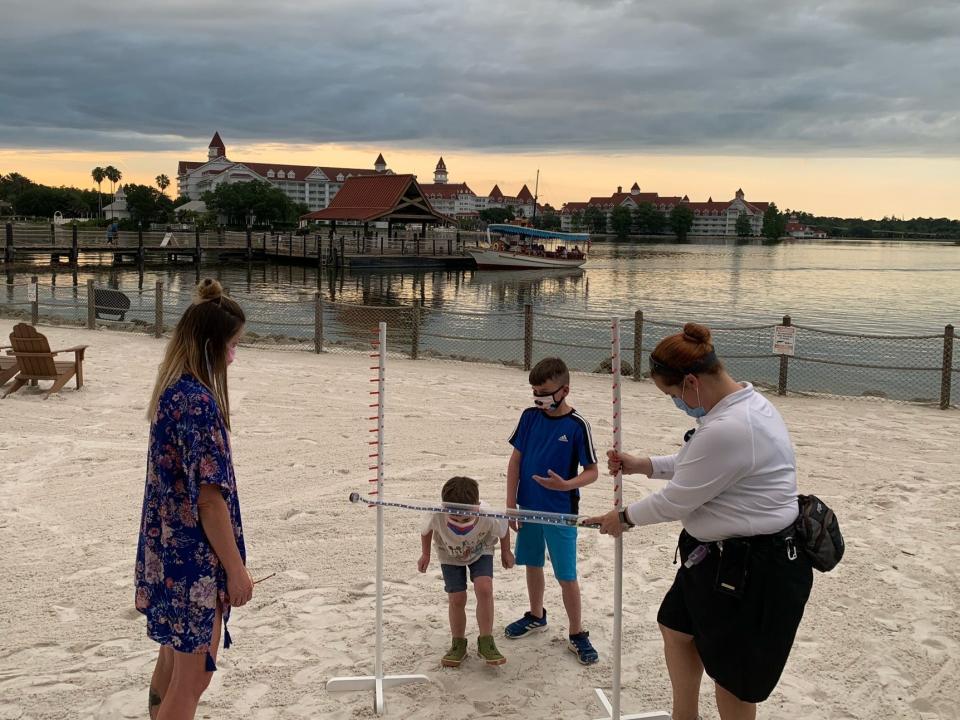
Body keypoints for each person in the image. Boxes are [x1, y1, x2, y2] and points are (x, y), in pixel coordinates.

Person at [585, 323, 813, 720]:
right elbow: (697, 464)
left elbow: (677, 500)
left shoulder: (735, 425)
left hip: (753, 567)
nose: (677, 403)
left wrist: (622, 518)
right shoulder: (736, 404)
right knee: (676, 629)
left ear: (691, 382)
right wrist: (645, 465)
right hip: (711, 557)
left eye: (673, 395)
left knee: (733, 679)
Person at [135, 278, 252, 720]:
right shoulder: (199, 403)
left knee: (171, 661)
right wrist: (236, 571)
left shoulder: (171, 393)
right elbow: (209, 501)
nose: (234, 355)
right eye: (234, 345)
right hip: (193, 562)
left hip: (166, 551)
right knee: (193, 680)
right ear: (212, 346)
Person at [505, 357, 600, 664]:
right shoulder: (529, 416)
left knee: (566, 574)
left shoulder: (577, 426)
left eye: (544, 392)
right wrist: (511, 505)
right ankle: (536, 615)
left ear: (564, 390)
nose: (539, 398)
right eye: (534, 392)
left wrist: (566, 485)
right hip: (528, 507)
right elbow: (515, 462)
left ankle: (577, 632)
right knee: (532, 563)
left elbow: (592, 471)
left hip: (561, 510)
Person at [418, 476, 515, 667]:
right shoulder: (435, 513)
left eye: (466, 518)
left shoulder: (488, 514)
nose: (460, 522)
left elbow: (503, 530)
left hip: (481, 550)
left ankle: (486, 641)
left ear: (477, 506)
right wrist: (425, 554)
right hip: (449, 553)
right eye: (453, 518)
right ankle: (458, 644)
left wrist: (506, 551)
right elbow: (425, 530)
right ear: (445, 507)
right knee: (457, 598)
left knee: (484, 588)